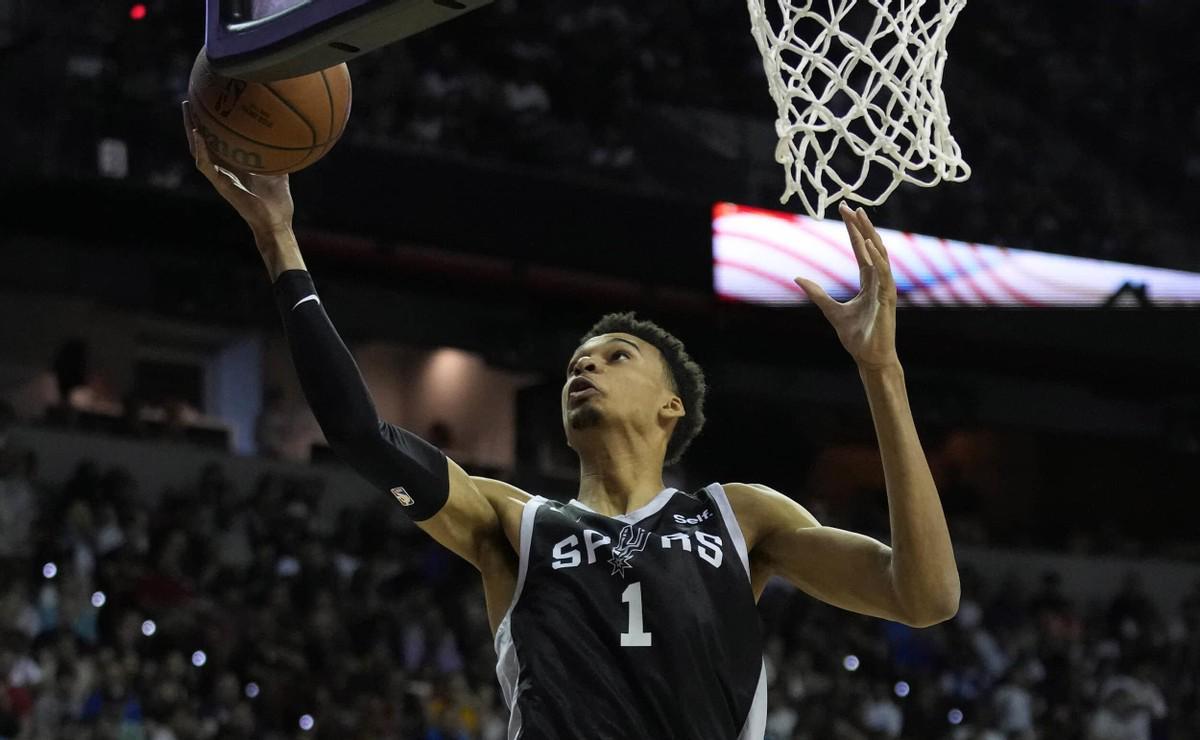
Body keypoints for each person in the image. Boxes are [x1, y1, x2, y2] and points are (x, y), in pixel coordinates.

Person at [183, 102, 959, 739]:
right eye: (576, 364)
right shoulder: (515, 524)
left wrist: (881, 373)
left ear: (671, 406)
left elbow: (925, 597)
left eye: (616, 356)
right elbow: (359, 433)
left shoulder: (737, 518)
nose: (585, 368)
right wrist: (279, 241)